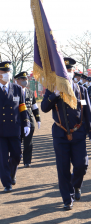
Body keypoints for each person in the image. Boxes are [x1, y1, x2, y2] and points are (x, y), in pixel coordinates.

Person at [41, 57, 91, 210]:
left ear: (73, 72)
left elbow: (88, 113)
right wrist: (54, 95)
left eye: (70, 70)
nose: (68, 73)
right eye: (65, 71)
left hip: (78, 134)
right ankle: (67, 198)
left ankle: (76, 185)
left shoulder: (81, 90)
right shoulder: (52, 89)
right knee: (63, 168)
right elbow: (44, 108)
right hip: (60, 134)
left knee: (81, 165)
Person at [0, 61, 30, 192]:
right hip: (0, 130)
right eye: (3, 72)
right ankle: (7, 183)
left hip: (14, 128)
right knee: (2, 159)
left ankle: (12, 173)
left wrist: (27, 122)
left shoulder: (17, 88)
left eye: (8, 72)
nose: (6, 74)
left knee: (17, 155)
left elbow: (23, 107)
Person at [15, 71, 41, 168]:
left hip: (29, 121)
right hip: (17, 121)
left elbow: (34, 107)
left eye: (26, 79)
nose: (25, 81)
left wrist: (38, 119)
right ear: (17, 80)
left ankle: (27, 161)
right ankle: (16, 160)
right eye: (22, 79)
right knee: (17, 142)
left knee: (28, 142)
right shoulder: (14, 91)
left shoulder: (30, 92)